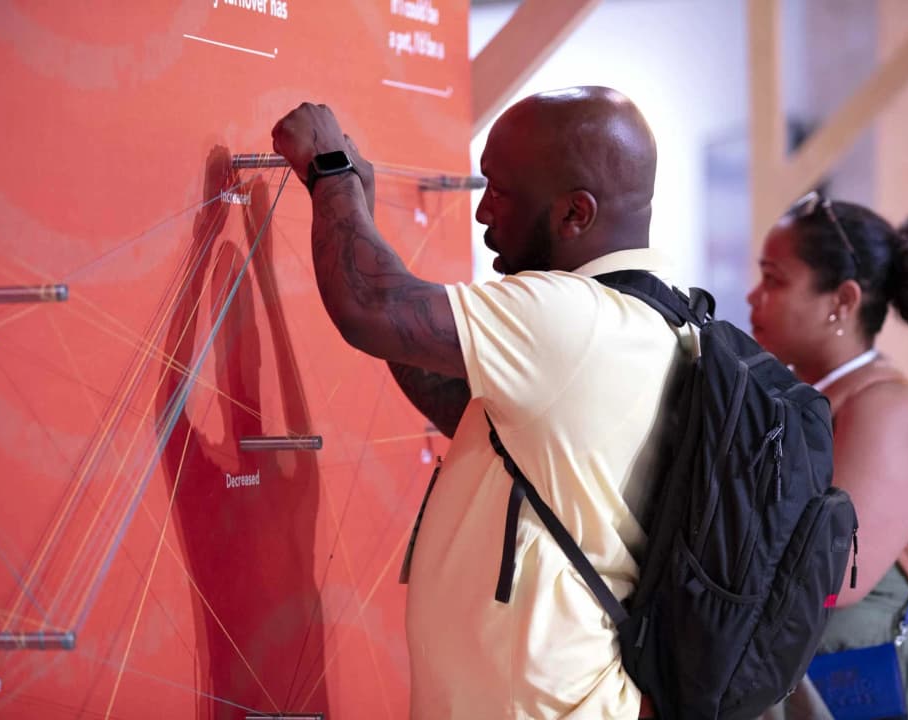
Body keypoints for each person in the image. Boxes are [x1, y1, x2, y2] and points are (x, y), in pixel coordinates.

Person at [271, 87, 679, 718]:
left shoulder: (572, 316)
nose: (484, 212)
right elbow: (466, 408)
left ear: (576, 213)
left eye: (501, 191)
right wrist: (358, 218)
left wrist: (331, 171)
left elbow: (371, 310)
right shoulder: (649, 321)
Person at [746, 191, 908, 719]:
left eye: (774, 279)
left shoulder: (888, 411)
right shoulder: (812, 396)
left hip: (877, 688)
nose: (753, 295)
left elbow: (833, 578)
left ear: (842, 301)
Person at [157, 147, 326, 717]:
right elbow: (168, 406)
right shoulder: (281, 481)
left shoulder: (274, 481)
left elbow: (168, 405)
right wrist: (256, 262)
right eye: (236, 328)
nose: (241, 347)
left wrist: (221, 242)